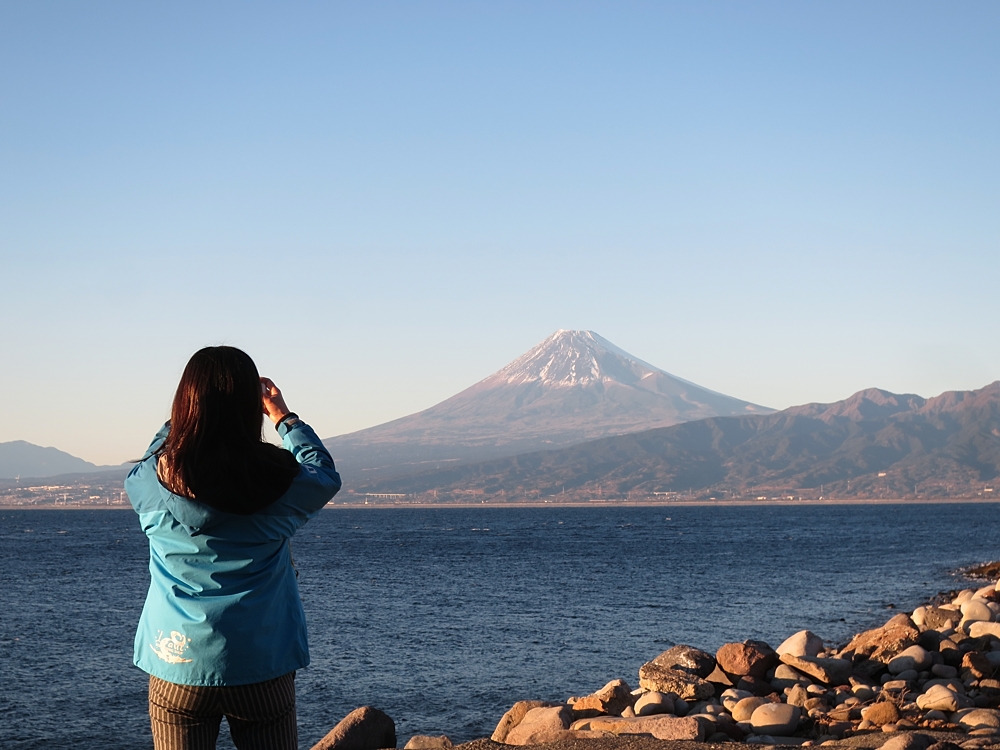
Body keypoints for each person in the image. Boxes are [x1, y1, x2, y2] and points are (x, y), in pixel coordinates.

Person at [125, 346, 342, 750]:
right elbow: (324, 474)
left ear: (185, 401)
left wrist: (188, 415)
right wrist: (283, 416)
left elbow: (147, 462)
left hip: (177, 661)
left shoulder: (150, 485)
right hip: (262, 663)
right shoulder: (281, 482)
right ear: (250, 405)